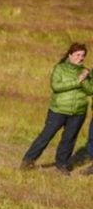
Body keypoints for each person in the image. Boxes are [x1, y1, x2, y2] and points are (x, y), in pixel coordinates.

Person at [20, 43, 93, 175]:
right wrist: (78, 81)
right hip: (58, 110)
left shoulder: (85, 71)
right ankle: (28, 160)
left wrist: (84, 79)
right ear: (70, 55)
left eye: (83, 55)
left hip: (78, 112)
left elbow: (90, 91)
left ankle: (62, 164)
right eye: (77, 55)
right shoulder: (60, 69)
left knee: (69, 139)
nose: (80, 58)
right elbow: (56, 86)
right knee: (46, 136)